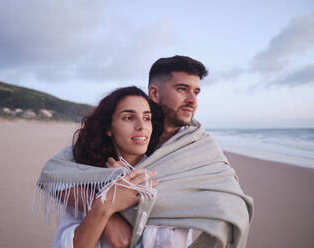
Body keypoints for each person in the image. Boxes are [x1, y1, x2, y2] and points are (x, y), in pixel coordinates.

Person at [35, 55, 254, 248]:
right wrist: (105, 205)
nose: (192, 100)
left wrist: (121, 193)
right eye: (182, 89)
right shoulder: (100, 156)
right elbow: (55, 171)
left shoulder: (200, 151)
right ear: (154, 92)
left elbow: (234, 204)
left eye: (196, 91)